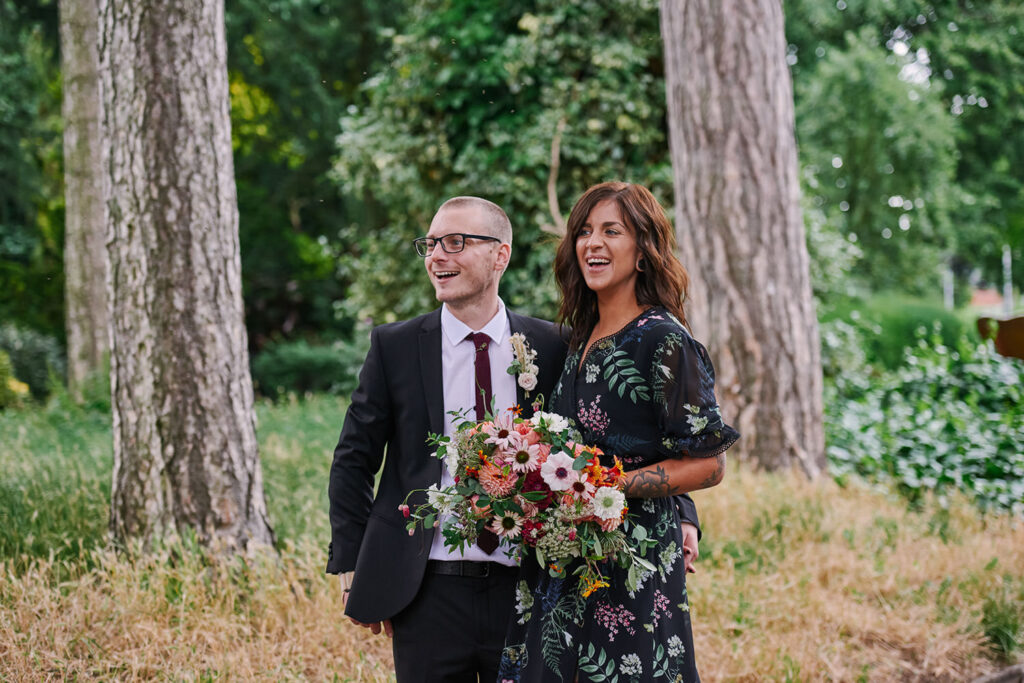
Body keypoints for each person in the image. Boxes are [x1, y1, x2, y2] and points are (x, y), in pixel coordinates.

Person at [499, 182, 740, 682]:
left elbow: (709, 462)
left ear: (644, 250)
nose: (593, 243)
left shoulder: (663, 340)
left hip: (631, 566)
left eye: (612, 231)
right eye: (584, 231)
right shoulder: (580, 338)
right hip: (564, 563)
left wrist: (606, 488)